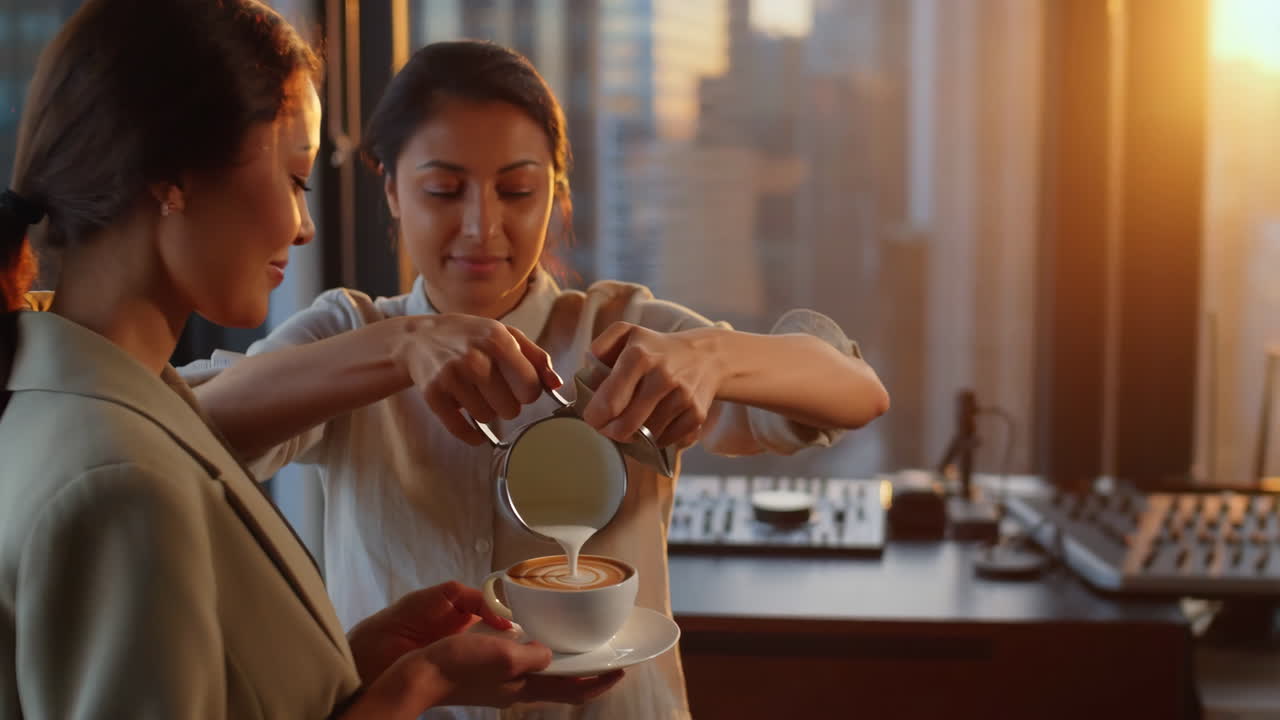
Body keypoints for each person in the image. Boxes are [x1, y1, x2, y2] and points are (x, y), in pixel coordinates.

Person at [188, 40, 890, 719]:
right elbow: (184, 427)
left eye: (517, 190)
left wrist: (713, 357)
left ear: (556, 192)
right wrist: (400, 347)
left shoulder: (621, 334)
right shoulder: (351, 338)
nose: (481, 226)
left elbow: (858, 393)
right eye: (443, 189)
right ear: (391, 188)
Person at [0, 4, 621, 718]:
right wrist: (423, 686)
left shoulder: (60, 401)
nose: (305, 227)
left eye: (516, 189)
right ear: (171, 176)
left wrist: (349, 664)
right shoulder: (123, 479)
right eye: (296, 180)